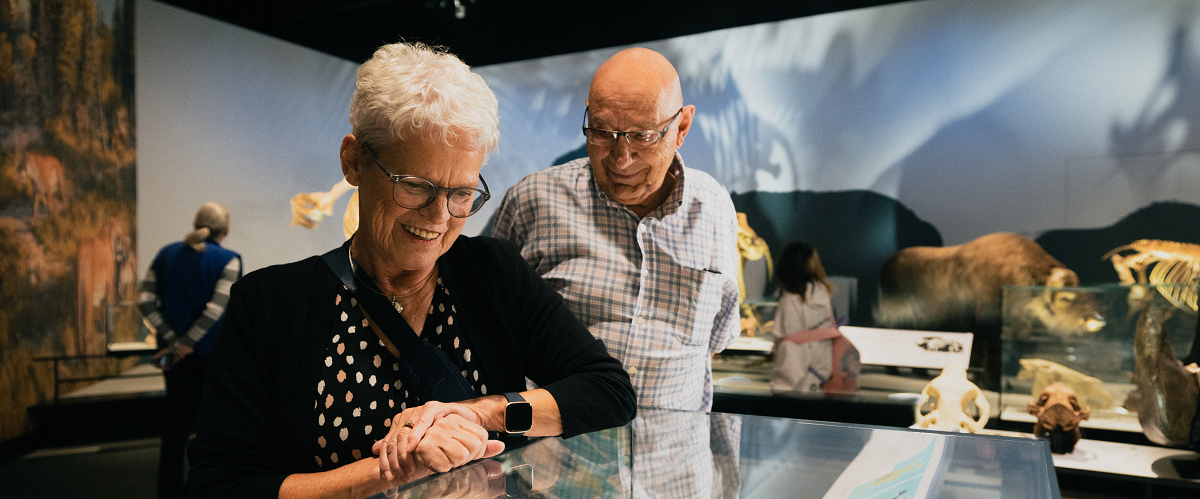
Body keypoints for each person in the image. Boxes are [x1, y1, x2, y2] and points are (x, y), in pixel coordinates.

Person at [183, 42, 636, 499]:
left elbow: (608, 392)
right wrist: (396, 471)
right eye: (415, 186)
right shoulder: (269, 305)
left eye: (461, 193)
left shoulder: (493, 274)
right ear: (354, 162)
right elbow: (221, 485)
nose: (439, 218)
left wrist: (482, 413)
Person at [491, 47, 741, 412]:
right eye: (603, 132)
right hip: (557, 459)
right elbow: (487, 328)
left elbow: (717, 336)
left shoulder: (714, 208)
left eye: (643, 136)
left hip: (674, 462)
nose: (621, 158)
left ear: (681, 127)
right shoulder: (533, 201)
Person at [137, 202, 242, 499]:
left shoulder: (165, 254)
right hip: (211, 358)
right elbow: (215, 311)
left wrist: (173, 342)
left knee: (174, 429)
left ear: (196, 223)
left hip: (174, 360)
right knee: (215, 432)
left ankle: (168, 493)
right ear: (226, 229)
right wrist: (189, 343)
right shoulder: (229, 260)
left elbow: (144, 299)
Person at [769, 241, 837, 394]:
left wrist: (779, 389)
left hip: (797, 385)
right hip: (821, 379)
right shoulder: (822, 294)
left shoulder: (790, 300)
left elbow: (791, 347)